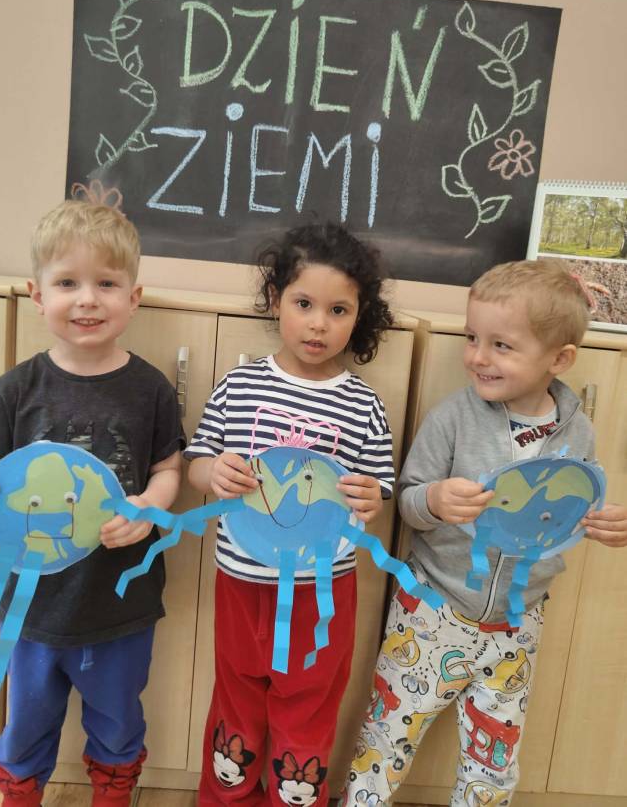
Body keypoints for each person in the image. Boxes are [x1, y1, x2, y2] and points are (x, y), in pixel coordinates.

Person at [340, 259, 627, 807]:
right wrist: (435, 500)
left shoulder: (579, 432)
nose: (477, 356)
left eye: (502, 345)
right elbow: (407, 501)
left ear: (559, 359)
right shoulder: (452, 417)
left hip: (519, 619)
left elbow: (566, 514)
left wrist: (599, 521)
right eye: (472, 338)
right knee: (387, 736)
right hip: (432, 611)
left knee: (494, 757)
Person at [0, 190, 185, 807]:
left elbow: (169, 469)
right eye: (67, 283)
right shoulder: (15, 389)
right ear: (37, 295)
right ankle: (19, 793)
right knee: (26, 720)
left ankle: (113, 792)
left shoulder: (151, 389)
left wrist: (149, 506)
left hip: (121, 600)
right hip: (31, 606)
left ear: (133, 297)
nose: (87, 299)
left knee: (118, 717)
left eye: (106, 283)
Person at [186, 221, 396, 807]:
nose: (318, 324)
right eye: (304, 304)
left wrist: (369, 498)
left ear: (359, 316)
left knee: (308, 708)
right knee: (236, 706)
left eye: (338, 310)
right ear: (277, 299)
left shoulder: (363, 404)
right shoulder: (240, 385)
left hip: (320, 592)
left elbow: (377, 492)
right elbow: (198, 463)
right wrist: (213, 473)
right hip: (241, 583)